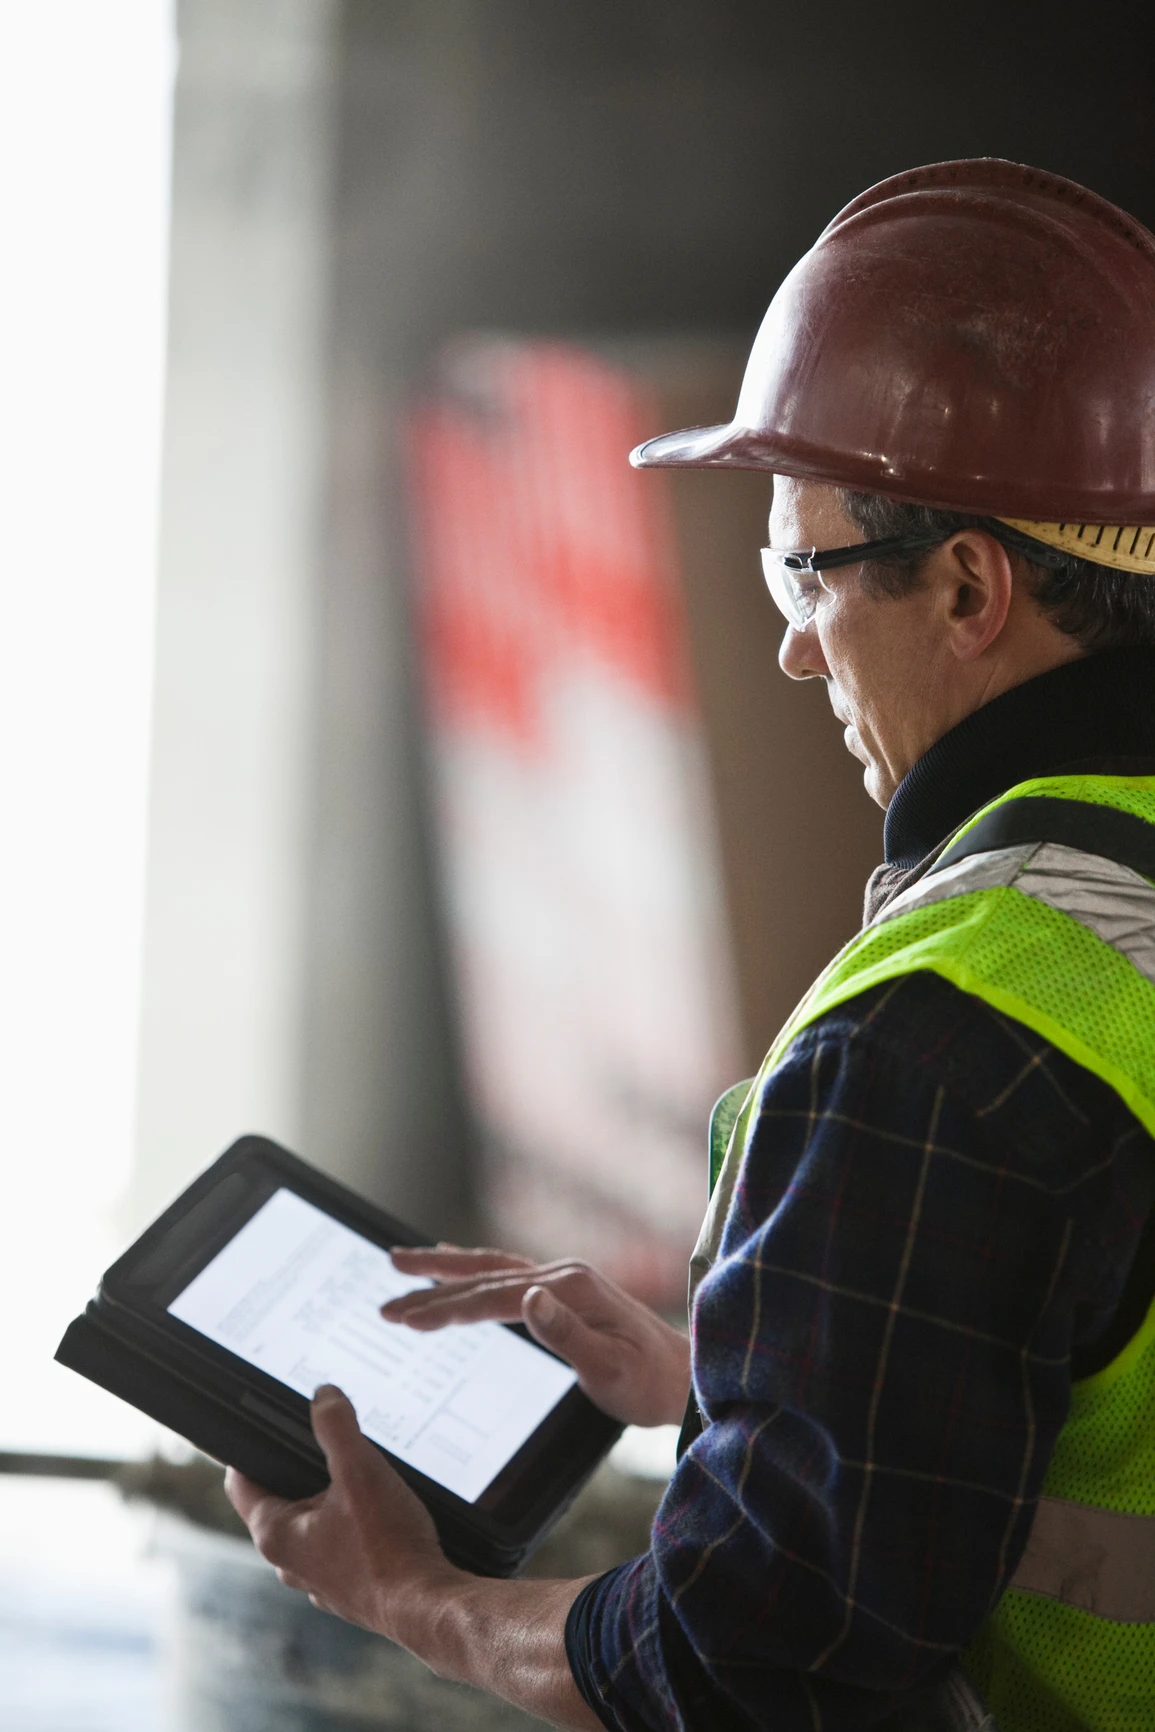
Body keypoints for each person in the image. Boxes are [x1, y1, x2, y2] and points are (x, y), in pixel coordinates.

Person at [226, 158, 1155, 1731]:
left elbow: (745, 1666)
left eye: (806, 567)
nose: (792, 643)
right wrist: (743, 1376)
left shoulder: (940, 1038)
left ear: (968, 585)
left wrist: (413, 1596)